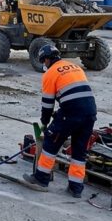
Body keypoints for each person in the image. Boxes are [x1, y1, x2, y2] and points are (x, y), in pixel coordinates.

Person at [22, 44, 97, 198]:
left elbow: (47, 104)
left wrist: (45, 123)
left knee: (51, 141)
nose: (44, 64)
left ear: (47, 59)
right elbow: (75, 94)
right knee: (79, 150)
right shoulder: (74, 66)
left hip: (71, 113)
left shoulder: (50, 74)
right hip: (90, 112)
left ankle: (41, 179)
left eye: (44, 61)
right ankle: (76, 188)